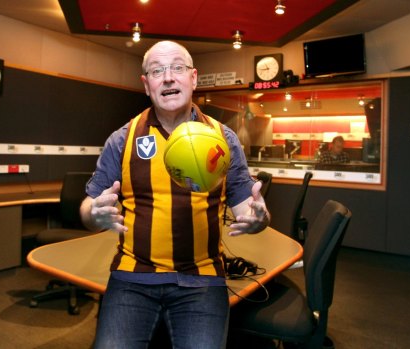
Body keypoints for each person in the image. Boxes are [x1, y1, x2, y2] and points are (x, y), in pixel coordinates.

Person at [79, 40, 270, 349]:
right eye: (157, 71)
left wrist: (258, 219)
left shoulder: (224, 139)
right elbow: (88, 207)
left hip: (203, 277)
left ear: (193, 78)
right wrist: (94, 214)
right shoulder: (122, 139)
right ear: (146, 85)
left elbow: (249, 210)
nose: (168, 77)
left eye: (177, 68)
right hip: (133, 276)